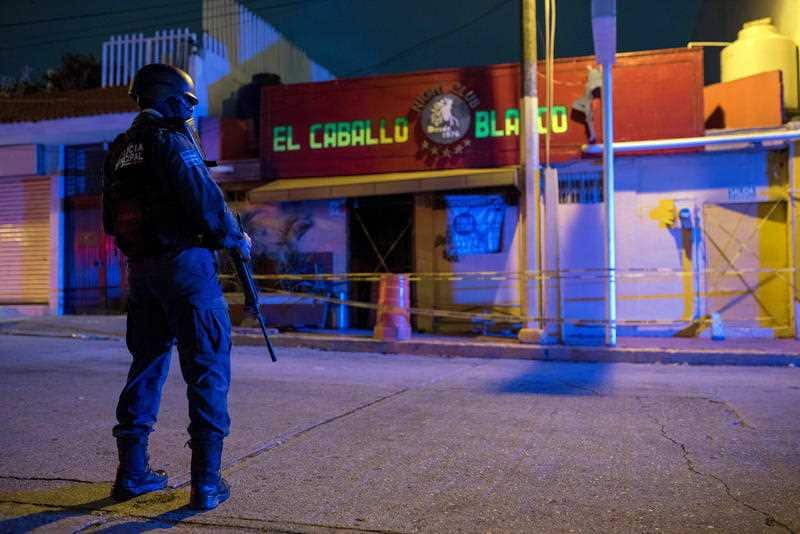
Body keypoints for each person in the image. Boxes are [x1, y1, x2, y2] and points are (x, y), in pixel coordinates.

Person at [102, 63, 250, 511]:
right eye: (187, 103)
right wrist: (236, 237)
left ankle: (132, 473)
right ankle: (206, 483)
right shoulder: (172, 142)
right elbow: (207, 206)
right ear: (171, 99)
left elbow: (110, 220)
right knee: (206, 370)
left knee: (145, 367)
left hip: (142, 274)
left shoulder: (121, 149)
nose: (190, 111)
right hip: (187, 270)